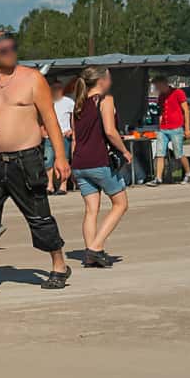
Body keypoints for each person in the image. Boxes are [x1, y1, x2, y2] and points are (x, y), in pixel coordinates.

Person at [0, 30, 71, 294]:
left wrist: (61, 157)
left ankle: (59, 265)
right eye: (5, 50)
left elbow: (50, 119)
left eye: (13, 47)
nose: (11, 53)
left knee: (39, 217)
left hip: (26, 160)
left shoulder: (32, 79)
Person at [68, 65, 130, 268]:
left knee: (91, 210)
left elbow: (75, 140)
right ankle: (96, 247)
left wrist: (73, 165)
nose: (111, 82)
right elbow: (110, 131)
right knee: (120, 204)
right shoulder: (105, 100)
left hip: (80, 163)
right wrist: (125, 151)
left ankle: (90, 254)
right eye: (109, 78)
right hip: (99, 161)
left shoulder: (77, 106)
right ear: (101, 81)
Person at [150, 75, 190, 186]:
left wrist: (187, 129)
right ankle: (158, 178)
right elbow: (162, 112)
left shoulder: (178, 92)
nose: (156, 88)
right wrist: (159, 126)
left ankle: (188, 173)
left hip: (176, 128)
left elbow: (186, 110)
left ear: (163, 83)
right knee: (160, 153)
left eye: (157, 86)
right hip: (163, 129)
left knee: (178, 153)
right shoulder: (161, 96)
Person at [46, 71, 76, 195]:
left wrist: (72, 131)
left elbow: (73, 119)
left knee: (64, 160)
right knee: (48, 161)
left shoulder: (69, 102)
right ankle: (50, 186)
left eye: (59, 88)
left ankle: (63, 186)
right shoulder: (47, 101)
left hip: (64, 135)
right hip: (48, 136)